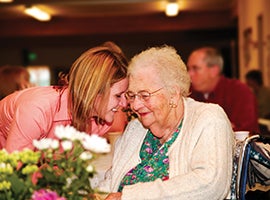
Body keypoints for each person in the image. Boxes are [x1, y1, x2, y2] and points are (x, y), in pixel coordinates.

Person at [104, 45, 234, 199]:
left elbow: (210, 184)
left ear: (173, 94)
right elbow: (110, 182)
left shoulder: (208, 118)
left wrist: (130, 197)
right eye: (132, 96)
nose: (135, 106)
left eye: (145, 96)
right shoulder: (135, 128)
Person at [0, 41, 128, 152]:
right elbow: (16, 170)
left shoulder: (100, 119)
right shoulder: (37, 109)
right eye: (118, 96)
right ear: (95, 90)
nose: (124, 104)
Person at [187, 47, 259, 133]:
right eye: (189, 69)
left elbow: (247, 132)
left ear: (214, 70)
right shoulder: (188, 93)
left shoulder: (239, 91)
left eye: (195, 68)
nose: (189, 74)